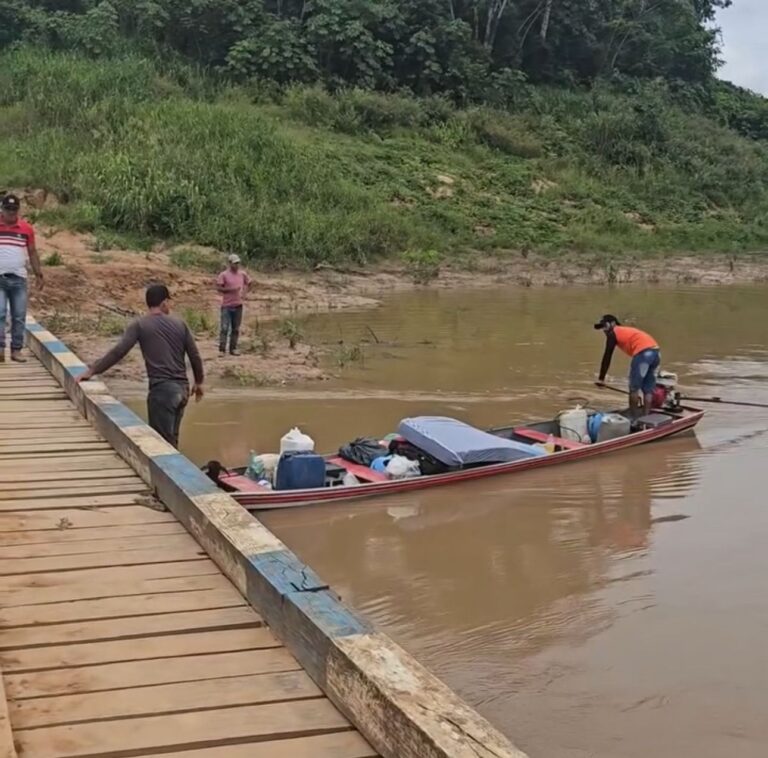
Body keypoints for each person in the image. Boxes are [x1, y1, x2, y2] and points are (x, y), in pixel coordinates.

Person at [77, 284, 204, 448]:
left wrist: (92, 370)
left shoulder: (140, 325)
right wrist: (199, 382)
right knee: (172, 441)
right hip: (182, 390)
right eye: (169, 303)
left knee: (162, 445)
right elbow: (194, 355)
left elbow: (119, 351)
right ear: (164, 302)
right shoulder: (180, 324)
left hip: (162, 392)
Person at [0, 193, 44, 363]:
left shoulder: (26, 228)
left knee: (19, 315)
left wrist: (39, 274)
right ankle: (0, 349)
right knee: (0, 313)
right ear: (2, 209)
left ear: (18, 210)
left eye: (14, 209)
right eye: (8, 209)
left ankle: (16, 350)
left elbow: (32, 252)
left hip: (19, 279)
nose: (11, 212)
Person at [594, 314, 660, 416]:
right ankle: (646, 416)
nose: (605, 331)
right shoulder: (625, 331)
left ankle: (633, 418)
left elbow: (607, 356)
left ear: (613, 324)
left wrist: (601, 378)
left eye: (605, 327)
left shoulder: (614, 333)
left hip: (643, 354)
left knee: (634, 388)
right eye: (603, 328)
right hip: (655, 352)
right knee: (648, 389)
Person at [216, 253, 250, 357]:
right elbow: (219, 288)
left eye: (238, 263)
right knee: (224, 328)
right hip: (227, 305)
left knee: (236, 328)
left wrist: (244, 293)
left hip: (238, 305)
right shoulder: (223, 275)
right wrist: (231, 290)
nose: (237, 265)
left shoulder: (242, 274)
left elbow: (248, 283)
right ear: (230, 263)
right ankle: (222, 350)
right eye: (235, 263)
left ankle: (233, 349)